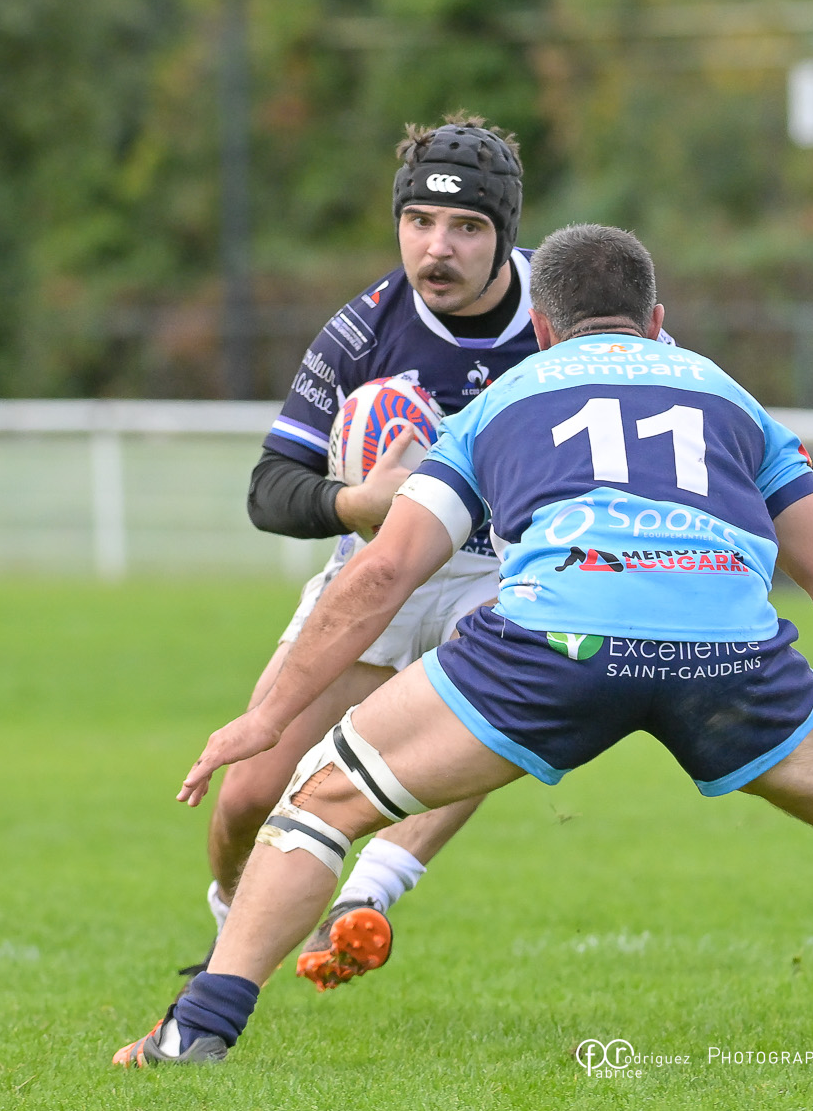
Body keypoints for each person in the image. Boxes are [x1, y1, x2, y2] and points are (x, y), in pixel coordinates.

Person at [114, 224, 813, 1069]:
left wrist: (268, 715)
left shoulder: (502, 399)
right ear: (657, 321)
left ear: (544, 329)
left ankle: (197, 1031)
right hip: (725, 646)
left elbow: (383, 571)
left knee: (321, 799)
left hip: (559, 641)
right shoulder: (731, 397)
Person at [204, 113, 535, 990]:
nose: (437, 247)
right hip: (379, 571)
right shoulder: (362, 331)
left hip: (502, 573)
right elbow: (270, 488)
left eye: (466, 227)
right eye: (419, 221)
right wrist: (357, 502)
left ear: (506, 234)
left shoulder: (565, 317)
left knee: (498, 695)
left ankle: (369, 892)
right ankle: (238, 921)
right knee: (245, 797)